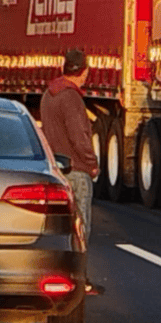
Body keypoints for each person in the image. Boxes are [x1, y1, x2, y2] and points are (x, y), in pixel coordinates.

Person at [39, 49, 100, 243]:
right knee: (80, 229)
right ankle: (77, 268)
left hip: (56, 170)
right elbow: (79, 138)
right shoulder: (72, 98)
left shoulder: (48, 96)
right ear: (84, 72)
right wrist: (92, 164)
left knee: (58, 230)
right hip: (77, 171)